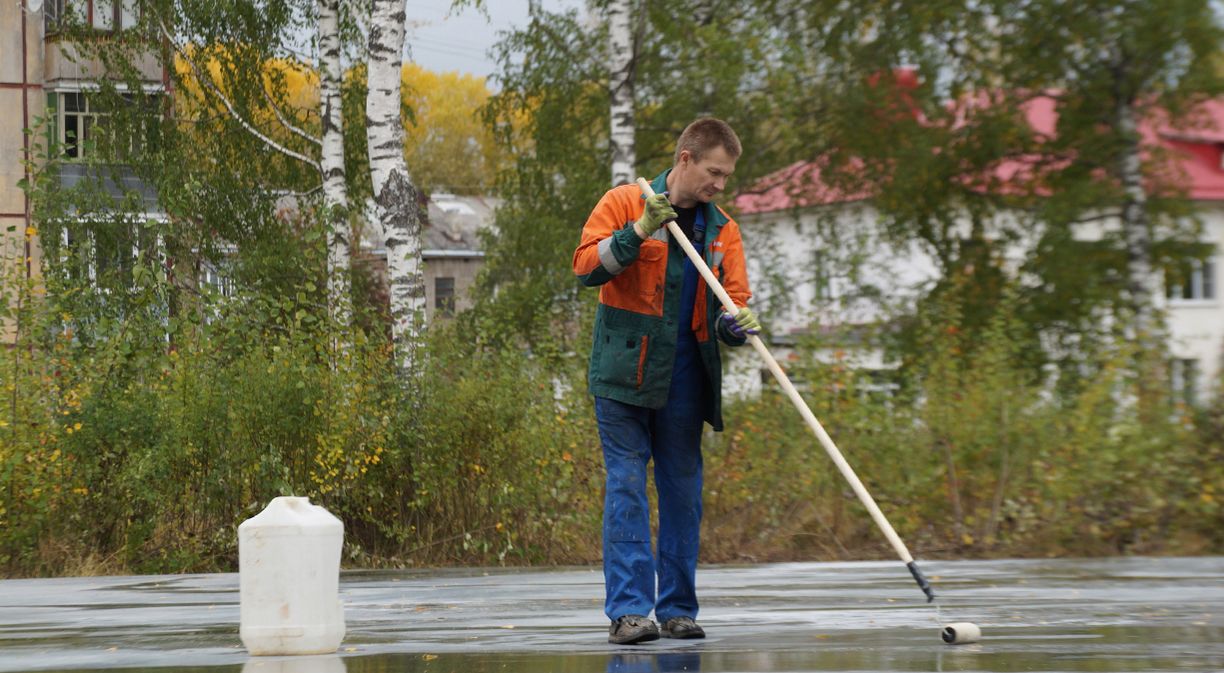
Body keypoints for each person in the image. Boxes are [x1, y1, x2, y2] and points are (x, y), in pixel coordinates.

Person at [572, 118, 760, 645]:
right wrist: (636, 233)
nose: (720, 185)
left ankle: (677, 609)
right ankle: (630, 613)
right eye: (714, 173)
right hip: (622, 375)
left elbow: (734, 303)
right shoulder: (624, 202)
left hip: (684, 378)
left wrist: (735, 324)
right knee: (627, 485)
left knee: (682, 494)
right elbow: (586, 269)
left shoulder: (722, 230)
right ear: (685, 159)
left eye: (726, 176)